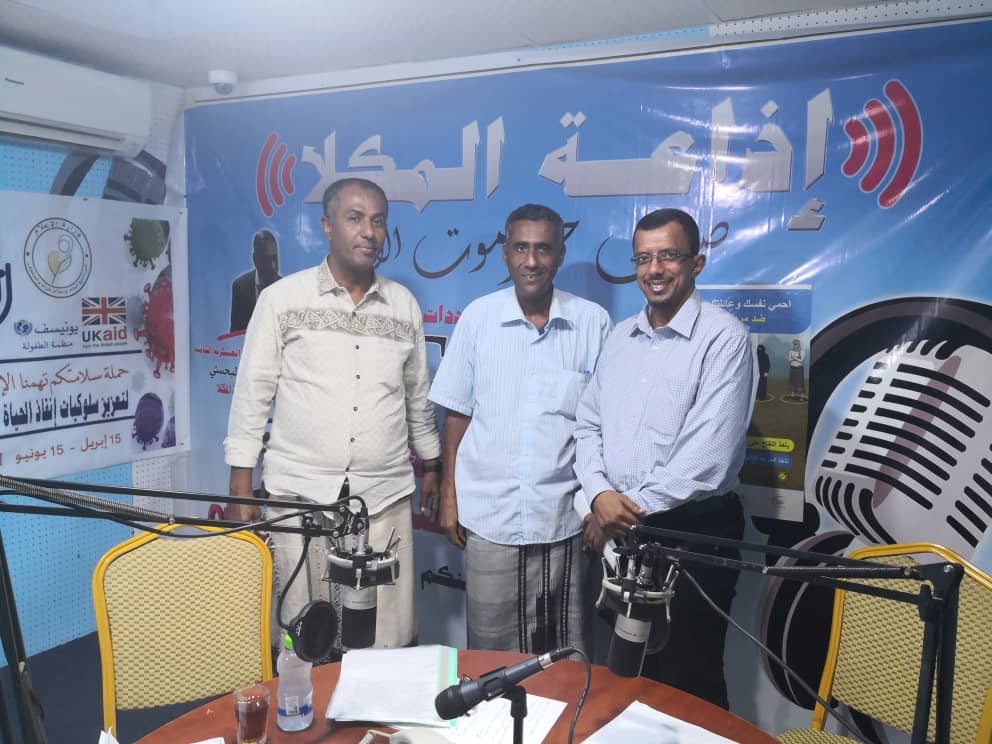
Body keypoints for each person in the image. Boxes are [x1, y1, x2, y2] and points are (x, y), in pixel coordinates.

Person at [224, 178, 441, 655]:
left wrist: (432, 464)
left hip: (383, 496)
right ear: (326, 226)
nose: (369, 231)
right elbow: (252, 393)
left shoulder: (403, 305)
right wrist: (240, 484)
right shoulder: (283, 300)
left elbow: (416, 397)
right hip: (300, 493)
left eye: (378, 221)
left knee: (384, 639)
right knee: (305, 636)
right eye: (355, 218)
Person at [574, 208, 755, 709]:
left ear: (696, 262)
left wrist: (616, 511)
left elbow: (707, 459)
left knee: (688, 683)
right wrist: (599, 495)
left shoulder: (724, 339)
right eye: (643, 258)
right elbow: (587, 425)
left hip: (692, 533)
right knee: (626, 675)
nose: (654, 269)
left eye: (669, 256)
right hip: (622, 533)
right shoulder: (619, 338)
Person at [428, 204, 612, 655]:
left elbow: (604, 427)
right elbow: (457, 414)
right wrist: (450, 496)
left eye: (543, 249)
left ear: (560, 254)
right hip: (491, 518)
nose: (532, 261)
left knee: (565, 658)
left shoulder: (593, 323)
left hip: (566, 521)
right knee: (490, 656)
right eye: (521, 248)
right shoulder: (478, 318)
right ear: (506, 253)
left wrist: (596, 504)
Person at [230, 229, 282, 332]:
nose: (273, 266)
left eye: (275, 258)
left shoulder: (285, 287)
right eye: (267, 260)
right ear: (255, 259)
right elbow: (235, 333)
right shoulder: (240, 288)